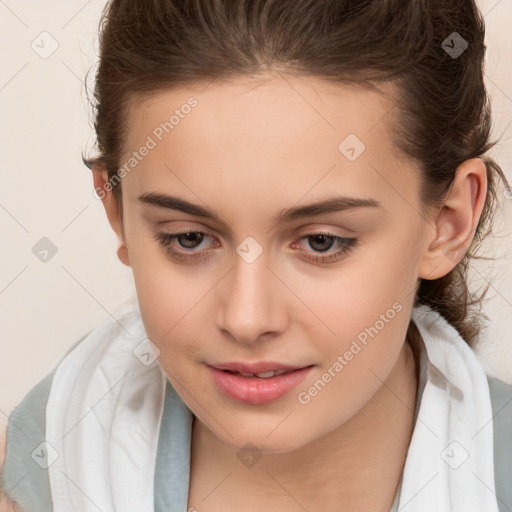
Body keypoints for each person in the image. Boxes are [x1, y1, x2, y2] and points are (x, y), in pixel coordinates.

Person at [1, 0, 511, 511]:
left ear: (448, 222)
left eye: (322, 242)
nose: (247, 320)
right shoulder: (45, 466)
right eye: (189, 238)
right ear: (117, 211)